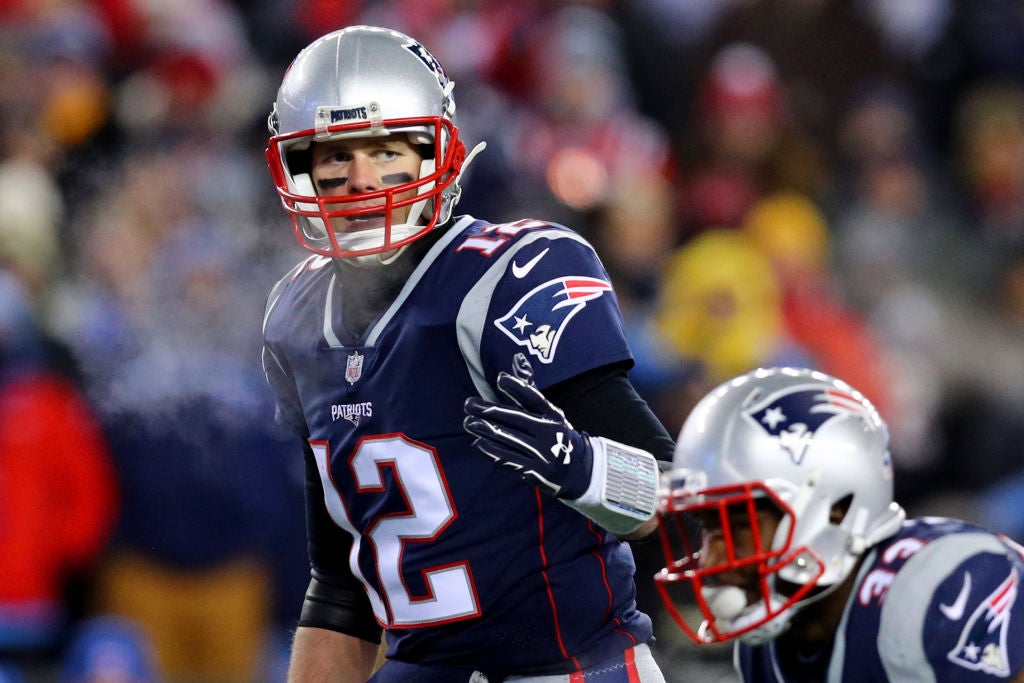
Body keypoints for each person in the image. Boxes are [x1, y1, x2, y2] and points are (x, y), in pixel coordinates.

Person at [261, 25, 674, 682]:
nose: (361, 179)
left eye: (387, 149)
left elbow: (670, 492)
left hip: (569, 666)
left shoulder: (510, 274)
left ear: (438, 149)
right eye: (334, 154)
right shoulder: (297, 319)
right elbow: (343, 585)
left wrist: (582, 467)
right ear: (298, 165)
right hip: (424, 667)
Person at [653, 366, 1024, 682]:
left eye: (738, 527)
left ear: (836, 510)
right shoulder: (767, 649)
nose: (712, 558)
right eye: (708, 529)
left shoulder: (941, 588)